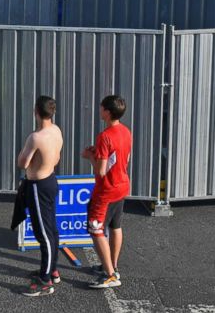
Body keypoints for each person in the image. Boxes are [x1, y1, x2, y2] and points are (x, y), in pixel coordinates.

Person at [16, 96, 64, 297]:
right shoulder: (56, 130)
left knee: (43, 233)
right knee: (51, 228)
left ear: (36, 111)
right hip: (51, 180)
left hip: (38, 186)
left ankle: (45, 281)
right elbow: (57, 156)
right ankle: (51, 269)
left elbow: (23, 163)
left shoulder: (36, 137)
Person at [82, 95, 132, 289]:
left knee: (96, 230)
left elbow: (101, 171)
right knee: (115, 226)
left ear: (107, 112)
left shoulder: (104, 136)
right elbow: (117, 157)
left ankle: (110, 275)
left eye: (102, 107)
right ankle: (112, 266)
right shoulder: (125, 131)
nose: (99, 109)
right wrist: (99, 152)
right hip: (122, 186)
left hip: (106, 191)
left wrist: (89, 156)